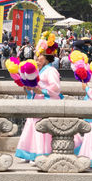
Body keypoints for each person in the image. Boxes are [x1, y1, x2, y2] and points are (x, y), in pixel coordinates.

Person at [15, 33, 63, 162]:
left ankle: (40, 153)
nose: (37, 58)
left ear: (47, 58)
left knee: (40, 129)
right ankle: (31, 152)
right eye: (36, 55)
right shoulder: (40, 70)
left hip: (46, 103)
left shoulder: (51, 71)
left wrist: (40, 90)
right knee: (33, 127)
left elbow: (55, 88)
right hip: (38, 101)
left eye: (40, 55)